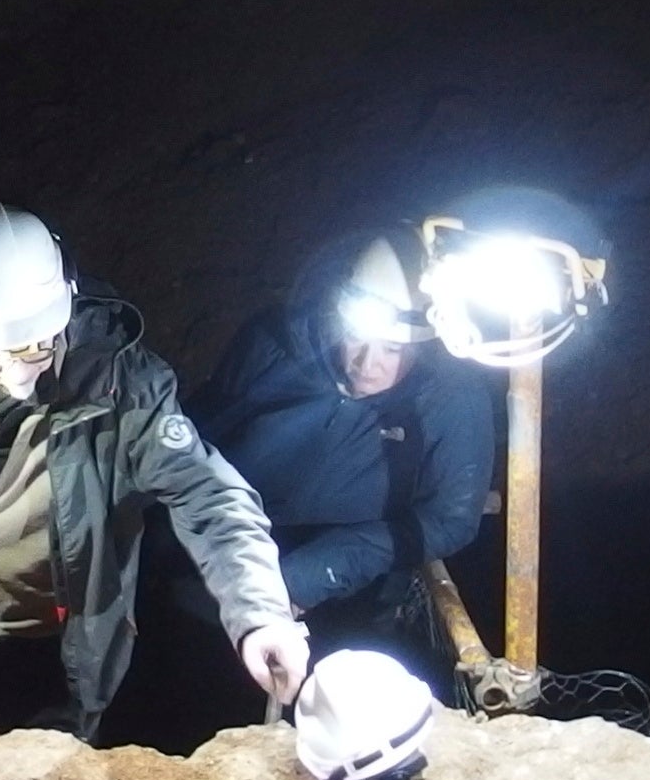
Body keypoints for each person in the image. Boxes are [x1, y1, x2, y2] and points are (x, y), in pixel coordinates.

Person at [0, 200, 307, 737]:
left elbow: (208, 495)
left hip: (51, 654)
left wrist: (260, 612)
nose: (14, 373)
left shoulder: (119, 388)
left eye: (34, 347)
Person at [189, 232, 498, 689]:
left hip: (352, 602)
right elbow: (201, 436)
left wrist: (315, 572)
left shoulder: (450, 399)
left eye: (394, 349)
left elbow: (452, 518)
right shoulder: (274, 343)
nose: (367, 363)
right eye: (358, 338)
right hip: (222, 565)